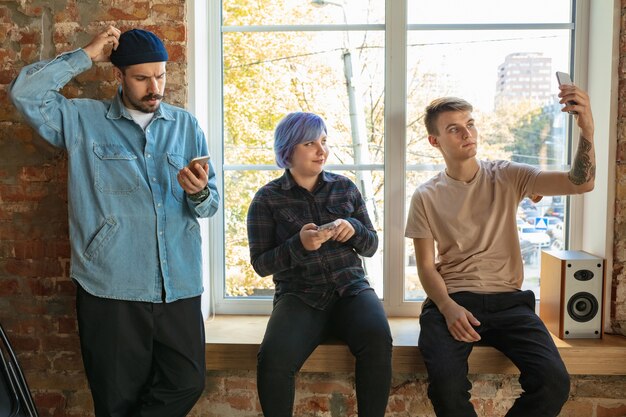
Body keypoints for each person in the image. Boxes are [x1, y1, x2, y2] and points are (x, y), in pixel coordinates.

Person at [9, 26, 219, 417]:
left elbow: (210, 207)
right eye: (142, 78)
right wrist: (86, 54)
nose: (154, 86)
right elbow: (25, 94)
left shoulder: (186, 126)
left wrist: (199, 193)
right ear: (118, 75)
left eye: (160, 75)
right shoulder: (82, 120)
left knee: (187, 383)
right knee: (116, 400)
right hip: (111, 287)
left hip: (180, 286)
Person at [405, 85, 595, 417]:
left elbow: (580, 183)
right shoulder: (425, 195)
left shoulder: (506, 175)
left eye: (471, 123)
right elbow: (425, 266)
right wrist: (448, 307)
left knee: (554, 382)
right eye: (454, 129)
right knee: (446, 389)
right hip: (452, 301)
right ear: (435, 141)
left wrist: (587, 127)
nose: (468, 133)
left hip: (509, 303)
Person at [247, 112, 392, 417]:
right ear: (288, 149)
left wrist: (354, 228)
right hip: (299, 296)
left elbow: (372, 246)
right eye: (310, 143)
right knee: (272, 359)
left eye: (324, 141)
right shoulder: (266, 199)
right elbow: (260, 264)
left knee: (379, 339)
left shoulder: (346, 188)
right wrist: (298, 245)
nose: (322, 150)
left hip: (352, 290)